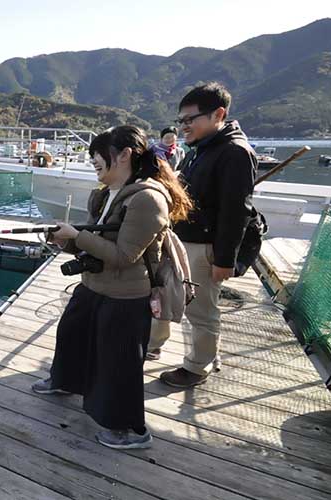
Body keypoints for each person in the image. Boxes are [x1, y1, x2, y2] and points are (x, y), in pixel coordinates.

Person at [30, 125, 193, 449]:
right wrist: (66, 240)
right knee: (72, 334)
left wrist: (77, 236)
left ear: (124, 155)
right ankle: (65, 382)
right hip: (93, 285)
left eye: (97, 154)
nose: (92, 160)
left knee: (118, 362)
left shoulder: (148, 199)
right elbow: (96, 242)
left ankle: (130, 430)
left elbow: (122, 256)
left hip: (125, 296)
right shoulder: (108, 194)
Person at [149, 83, 257, 388]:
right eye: (181, 120)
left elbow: (237, 212)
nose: (183, 127)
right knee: (164, 294)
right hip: (183, 241)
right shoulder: (203, 147)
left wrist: (224, 260)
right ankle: (153, 345)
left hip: (204, 246)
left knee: (201, 311)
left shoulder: (234, 152)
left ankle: (198, 367)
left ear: (218, 114)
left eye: (190, 120)